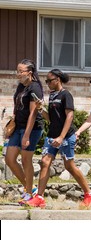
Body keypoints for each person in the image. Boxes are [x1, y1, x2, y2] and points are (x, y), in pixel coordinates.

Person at [27, 69, 91, 208]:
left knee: (69, 166)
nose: (47, 83)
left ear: (57, 80)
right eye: (46, 81)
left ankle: (90, 193)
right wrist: (41, 109)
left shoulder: (66, 95)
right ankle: (40, 197)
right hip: (52, 136)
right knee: (45, 162)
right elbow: (51, 119)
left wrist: (61, 137)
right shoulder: (52, 95)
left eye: (49, 81)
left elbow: (69, 117)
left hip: (66, 136)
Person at [5, 59, 44, 205]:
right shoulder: (21, 86)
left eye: (21, 71)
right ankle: (31, 188)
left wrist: (26, 135)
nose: (18, 74)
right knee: (9, 159)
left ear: (30, 72)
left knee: (26, 160)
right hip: (19, 127)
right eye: (17, 71)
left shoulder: (35, 88)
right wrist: (12, 124)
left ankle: (28, 193)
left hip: (32, 129)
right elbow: (17, 106)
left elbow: (33, 114)